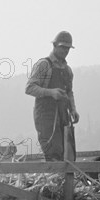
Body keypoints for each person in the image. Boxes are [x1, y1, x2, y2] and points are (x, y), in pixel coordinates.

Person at [25, 31, 80, 161]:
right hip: (46, 116)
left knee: (67, 154)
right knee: (52, 153)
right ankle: (53, 179)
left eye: (68, 48)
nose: (65, 51)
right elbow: (29, 88)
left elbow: (69, 92)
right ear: (55, 45)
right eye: (63, 47)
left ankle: (64, 180)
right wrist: (51, 92)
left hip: (63, 115)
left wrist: (73, 109)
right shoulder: (44, 65)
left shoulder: (67, 70)